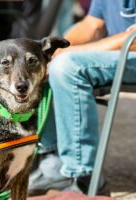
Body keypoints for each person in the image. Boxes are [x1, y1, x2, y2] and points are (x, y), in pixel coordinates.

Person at [28, 0, 136, 195]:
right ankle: (53, 167)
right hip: (120, 53)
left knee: (67, 66)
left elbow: (133, 40)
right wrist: (53, 49)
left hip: (132, 50)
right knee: (39, 62)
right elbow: (92, 25)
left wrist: (70, 53)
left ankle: (85, 177)